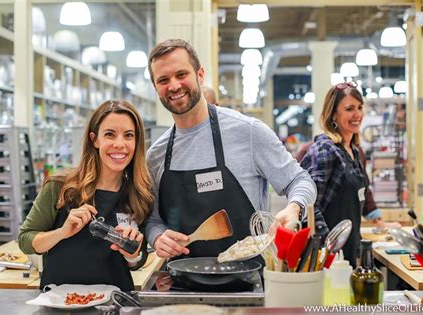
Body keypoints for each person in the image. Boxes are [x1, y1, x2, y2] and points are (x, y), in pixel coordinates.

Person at [145, 38, 317, 260]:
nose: (174, 86)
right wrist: (157, 237)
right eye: (163, 80)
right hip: (182, 284)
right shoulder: (156, 155)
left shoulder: (248, 132)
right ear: (155, 87)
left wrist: (294, 207)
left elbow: (300, 180)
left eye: (181, 74)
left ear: (200, 74)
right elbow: (152, 220)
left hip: (249, 283)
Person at [18, 100, 153, 291]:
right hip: (59, 302)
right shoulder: (61, 187)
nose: (120, 144)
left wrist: (131, 253)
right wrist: (62, 232)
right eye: (109, 134)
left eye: (129, 135)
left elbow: (138, 261)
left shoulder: (139, 194)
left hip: (114, 303)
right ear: (94, 139)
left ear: (137, 141)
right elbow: (25, 240)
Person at [299, 83, 399, 268]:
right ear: (333, 115)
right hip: (326, 260)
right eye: (349, 109)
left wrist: (380, 222)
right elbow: (308, 206)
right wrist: (329, 247)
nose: (357, 114)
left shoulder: (355, 151)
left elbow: (363, 190)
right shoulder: (325, 151)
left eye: (360, 107)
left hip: (348, 252)